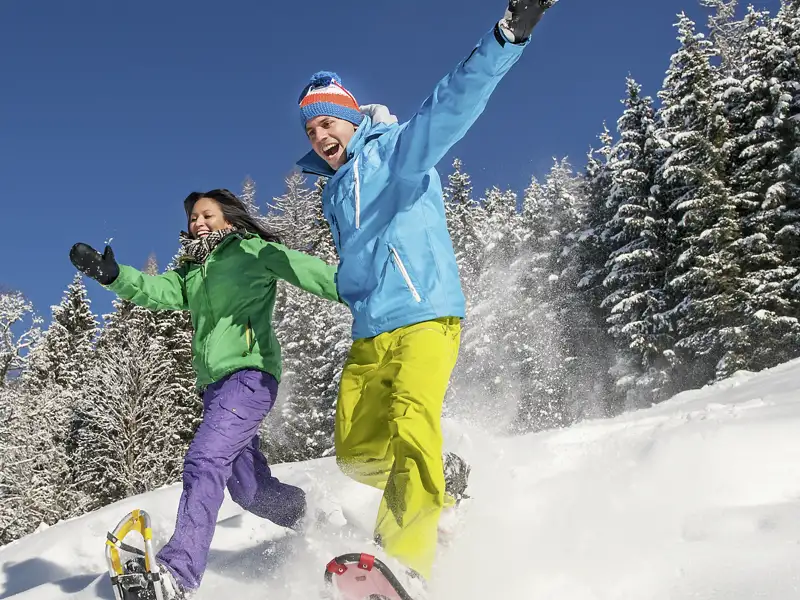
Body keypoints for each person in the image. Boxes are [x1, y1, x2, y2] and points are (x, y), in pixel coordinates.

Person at [294, 0, 558, 588]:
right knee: (357, 452)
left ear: (351, 118)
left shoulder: (397, 153)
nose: (320, 136)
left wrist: (506, 37)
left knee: (414, 423)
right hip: (370, 332)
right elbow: (347, 273)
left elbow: (451, 104)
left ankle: (405, 561)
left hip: (424, 316)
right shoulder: (333, 193)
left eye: (328, 122)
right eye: (311, 130)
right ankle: (443, 476)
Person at [69, 189, 341, 599]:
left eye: (206, 214)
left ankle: (178, 573)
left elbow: (306, 270)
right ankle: (316, 520)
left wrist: (363, 291)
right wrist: (112, 275)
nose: (197, 222)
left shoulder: (252, 250)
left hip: (249, 375)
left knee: (205, 459)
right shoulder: (193, 272)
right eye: (193, 217)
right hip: (216, 390)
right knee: (250, 491)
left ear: (229, 219)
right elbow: (154, 290)